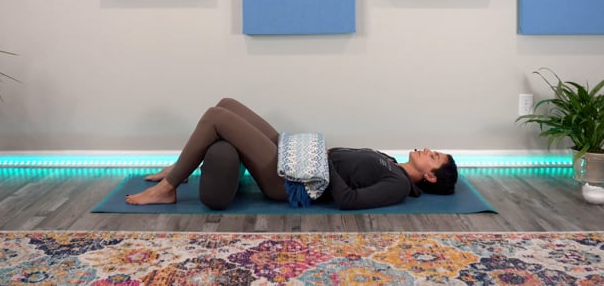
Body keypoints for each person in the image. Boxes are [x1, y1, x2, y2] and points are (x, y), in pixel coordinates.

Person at [125, 98, 458, 210]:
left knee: (216, 117)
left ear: (430, 177)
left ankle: (168, 187)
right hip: (297, 156)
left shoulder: (397, 185)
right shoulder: (391, 162)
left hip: (291, 181)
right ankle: (182, 165)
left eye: (434, 157)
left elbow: (349, 200)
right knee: (227, 104)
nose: (428, 150)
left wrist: (323, 161)